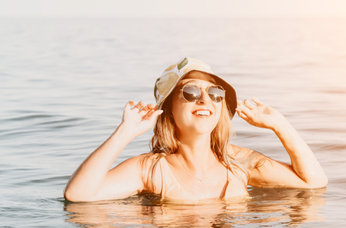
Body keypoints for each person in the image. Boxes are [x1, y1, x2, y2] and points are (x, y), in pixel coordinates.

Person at [64, 57, 328, 203]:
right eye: (190, 91)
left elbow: (314, 182)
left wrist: (279, 125)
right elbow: (78, 195)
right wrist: (125, 132)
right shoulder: (151, 170)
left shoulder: (239, 164)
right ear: (167, 109)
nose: (204, 99)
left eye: (215, 93)